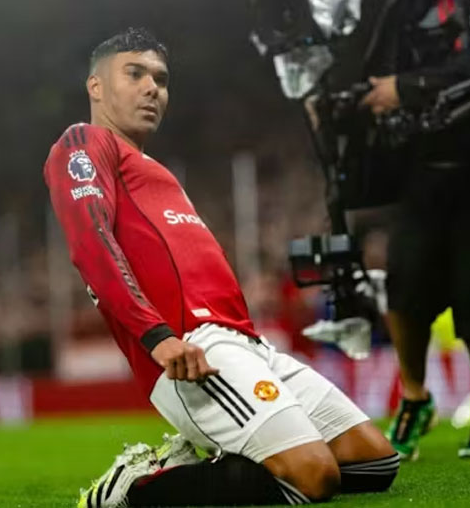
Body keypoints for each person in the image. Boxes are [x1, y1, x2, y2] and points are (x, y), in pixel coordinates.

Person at [44, 27, 398, 508]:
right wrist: (158, 336)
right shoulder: (84, 143)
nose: (152, 88)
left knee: (374, 463)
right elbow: (92, 245)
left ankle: (208, 460)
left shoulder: (158, 173)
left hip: (248, 344)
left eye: (160, 79)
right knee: (313, 477)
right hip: (193, 349)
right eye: (135, 74)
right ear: (96, 86)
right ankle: (136, 489)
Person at [360, 0, 470, 460]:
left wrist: (408, 88)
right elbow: (370, 66)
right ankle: (415, 397)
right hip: (421, 169)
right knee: (403, 286)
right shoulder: (401, 8)